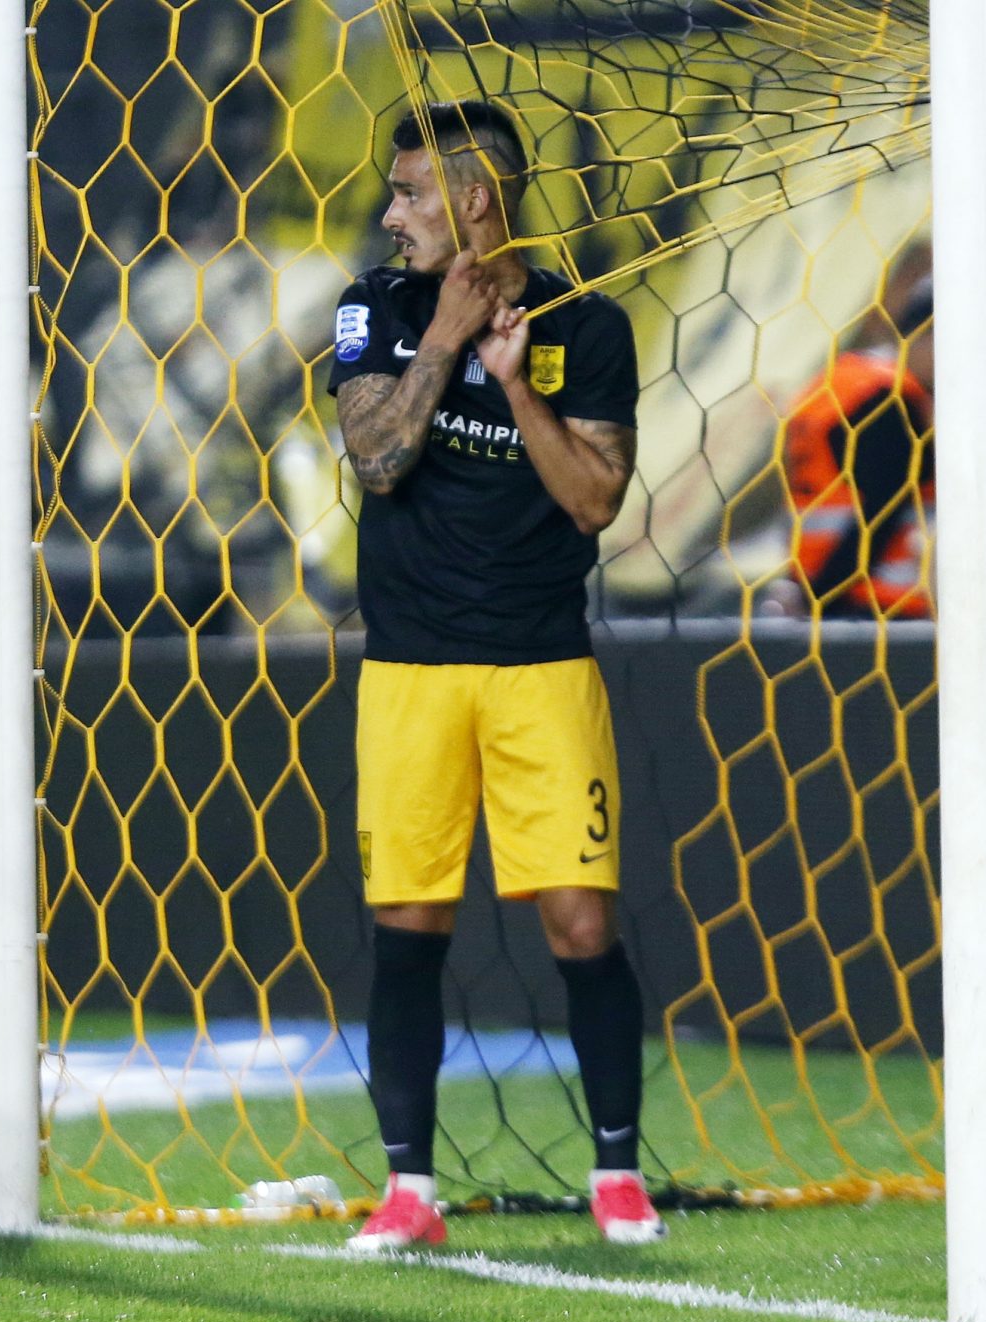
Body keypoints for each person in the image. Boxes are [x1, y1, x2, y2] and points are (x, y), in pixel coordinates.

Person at [327, 98, 662, 1250]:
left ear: (475, 199)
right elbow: (376, 460)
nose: (391, 214)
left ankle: (618, 1178)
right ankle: (409, 1195)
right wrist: (445, 338)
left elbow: (596, 501)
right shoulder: (375, 307)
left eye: (410, 193)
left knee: (581, 921)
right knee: (407, 924)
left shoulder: (589, 328)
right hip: (410, 671)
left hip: (540, 668)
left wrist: (516, 385)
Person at [783, 281, 934, 618]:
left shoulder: (844, 380)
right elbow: (880, 513)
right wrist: (821, 597)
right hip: (877, 602)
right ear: (924, 336)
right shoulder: (888, 399)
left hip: (818, 583)